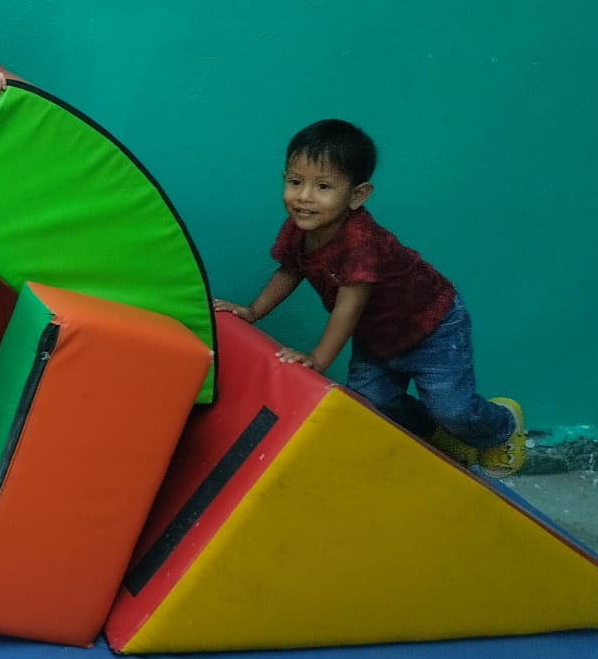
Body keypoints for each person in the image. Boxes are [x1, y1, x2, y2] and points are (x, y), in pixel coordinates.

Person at [213, 119, 526, 478]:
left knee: (452, 408)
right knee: (371, 405)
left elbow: (348, 308)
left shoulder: (360, 243)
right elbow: (289, 270)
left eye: (323, 186)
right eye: (295, 182)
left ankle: (502, 426)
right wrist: (253, 311)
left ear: (357, 195)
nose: (304, 197)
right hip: (377, 338)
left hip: (431, 327)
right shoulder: (301, 228)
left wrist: (317, 359)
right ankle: (438, 435)